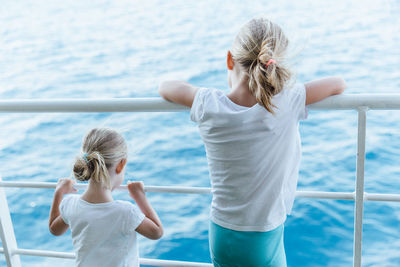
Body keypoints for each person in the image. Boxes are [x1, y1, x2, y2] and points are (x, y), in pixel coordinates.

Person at [158, 18, 345, 266]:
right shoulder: (287, 101)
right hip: (263, 235)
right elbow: (338, 84)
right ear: (275, 63)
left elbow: (166, 87)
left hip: (221, 231)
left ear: (229, 59)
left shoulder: (208, 103)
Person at [48, 127, 163, 267]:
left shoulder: (70, 204)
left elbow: (54, 229)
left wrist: (59, 192)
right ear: (121, 165)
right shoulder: (126, 212)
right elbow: (156, 232)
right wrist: (140, 196)